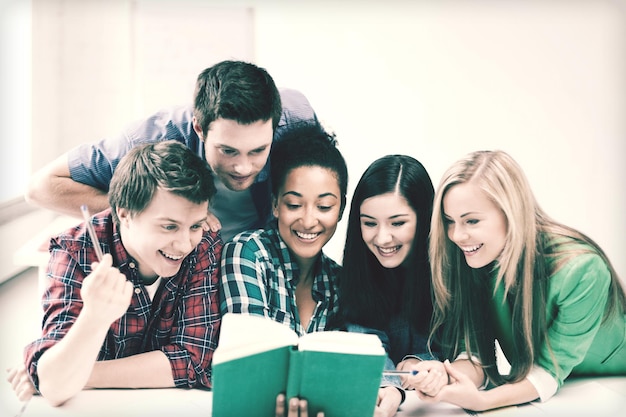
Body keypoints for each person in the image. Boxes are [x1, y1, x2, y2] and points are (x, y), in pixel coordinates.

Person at [405, 150, 626, 412]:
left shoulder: (583, 269)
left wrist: (484, 401)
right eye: (449, 221)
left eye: (471, 221)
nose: (457, 235)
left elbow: (546, 373)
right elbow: (475, 356)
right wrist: (443, 374)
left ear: (511, 212)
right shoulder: (477, 258)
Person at [7, 140, 223, 406]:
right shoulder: (76, 251)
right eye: (169, 227)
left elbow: (193, 359)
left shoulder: (204, 246)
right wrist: (94, 317)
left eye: (195, 226)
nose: (184, 244)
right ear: (125, 214)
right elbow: (55, 387)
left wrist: (82, 373)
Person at [25, 60, 318, 242]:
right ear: (199, 128)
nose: (242, 167)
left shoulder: (298, 121)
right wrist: (157, 212)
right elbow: (42, 187)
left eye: (257, 151)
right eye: (227, 151)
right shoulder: (154, 138)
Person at [220, 122, 347, 417]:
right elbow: (251, 364)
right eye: (294, 204)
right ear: (276, 205)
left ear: (340, 211)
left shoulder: (339, 281)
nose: (308, 220)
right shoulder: (247, 253)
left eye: (324, 207)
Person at [331, 155, 442, 417]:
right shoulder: (357, 274)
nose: (382, 238)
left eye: (397, 223)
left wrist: (420, 363)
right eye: (369, 223)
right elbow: (367, 343)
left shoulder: (451, 274)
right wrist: (389, 386)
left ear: (424, 218)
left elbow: (466, 352)